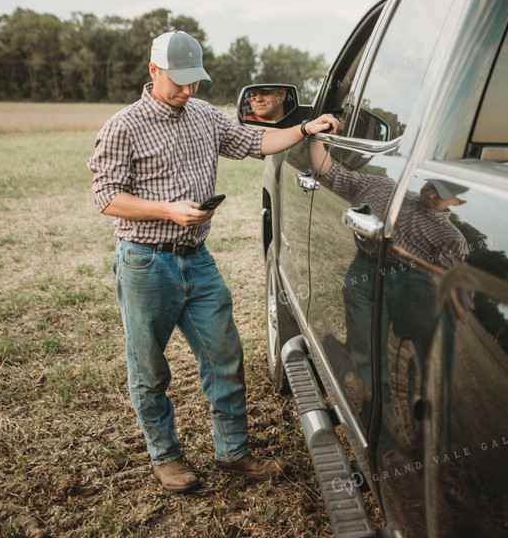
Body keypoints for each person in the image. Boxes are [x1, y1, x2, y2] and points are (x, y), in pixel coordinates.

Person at [87, 30, 339, 492]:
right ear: (153, 71)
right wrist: (169, 210)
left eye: (194, 81)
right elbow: (105, 197)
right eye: (178, 81)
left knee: (225, 356)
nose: (188, 90)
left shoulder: (203, 115)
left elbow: (252, 143)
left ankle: (233, 452)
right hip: (146, 262)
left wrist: (305, 129)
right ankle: (166, 457)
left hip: (197, 259)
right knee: (149, 367)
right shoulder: (123, 126)